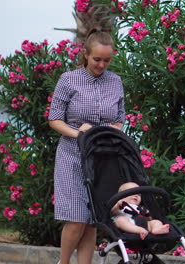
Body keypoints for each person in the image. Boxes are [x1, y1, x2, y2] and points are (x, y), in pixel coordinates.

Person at [48, 28, 125, 264]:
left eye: (107, 60)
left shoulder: (116, 81)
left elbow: (120, 117)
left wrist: (114, 130)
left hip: (102, 158)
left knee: (92, 220)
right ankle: (63, 262)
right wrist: (78, 133)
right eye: (97, 59)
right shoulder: (68, 80)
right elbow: (54, 119)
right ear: (85, 54)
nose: (102, 65)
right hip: (72, 156)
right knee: (76, 218)